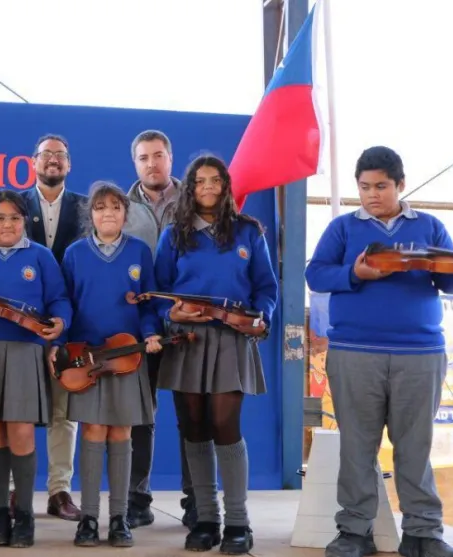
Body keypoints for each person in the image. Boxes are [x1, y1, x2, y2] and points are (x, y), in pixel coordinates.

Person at [305, 146, 453, 557]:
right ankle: (354, 532)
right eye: (365, 187)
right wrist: (353, 272)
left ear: (400, 184)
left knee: (415, 445)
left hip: (420, 352)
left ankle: (423, 534)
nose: (372, 194)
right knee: (357, 445)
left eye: (381, 186)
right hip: (355, 350)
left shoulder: (429, 226)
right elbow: (315, 274)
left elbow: (448, 280)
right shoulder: (342, 229)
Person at [153, 155, 278, 554]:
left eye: (215, 180)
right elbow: (157, 292)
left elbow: (266, 290)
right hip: (187, 340)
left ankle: (239, 522)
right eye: (199, 181)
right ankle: (206, 518)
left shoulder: (248, 232)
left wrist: (261, 320)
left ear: (225, 186)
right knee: (193, 427)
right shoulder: (174, 234)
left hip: (231, 339)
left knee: (226, 426)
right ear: (189, 189)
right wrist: (168, 312)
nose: (207, 187)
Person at [0, 190, 73, 548]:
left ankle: (24, 515)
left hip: (25, 351)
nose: (7, 224)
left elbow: (59, 300)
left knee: (20, 431)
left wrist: (59, 324)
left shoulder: (40, 256)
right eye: (0, 218)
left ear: (25, 222)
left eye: (15, 218)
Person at [60, 181, 161, 547]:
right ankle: (88, 518)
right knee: (92, 432)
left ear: (125, 213)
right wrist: (61, 345)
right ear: (91, 215)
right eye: (101, 207)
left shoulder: (139, 252)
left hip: (128, 357)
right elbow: (64, 303)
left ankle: (119, 517)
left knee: (121, 433)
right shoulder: (74, 254)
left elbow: (149, 304)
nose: (108, 213)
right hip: (88, 359)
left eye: (116, 207)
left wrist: (151, 332)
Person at [122, 129, 193, 529]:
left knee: (191, 414)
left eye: (159, 155)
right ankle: (137, 498)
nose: (152, 163)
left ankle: (195, 497)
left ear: (170, 158)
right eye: (144, 157)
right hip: (138, 327)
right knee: (140, 416)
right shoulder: (121, 206)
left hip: (186, 323)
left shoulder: (195, 201)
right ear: (135, 163)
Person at [18, 134, 87, 520]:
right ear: (33, 162)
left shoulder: (85, 209)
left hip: (70, 324)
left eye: (61, 156)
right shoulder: (13, 206)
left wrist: (64, 324)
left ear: (69, 164)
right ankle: (16, 491)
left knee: (64, 412)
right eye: (46, 155)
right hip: (20, 326)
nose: (54, 161)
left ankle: (60, 491)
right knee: (19, 410)